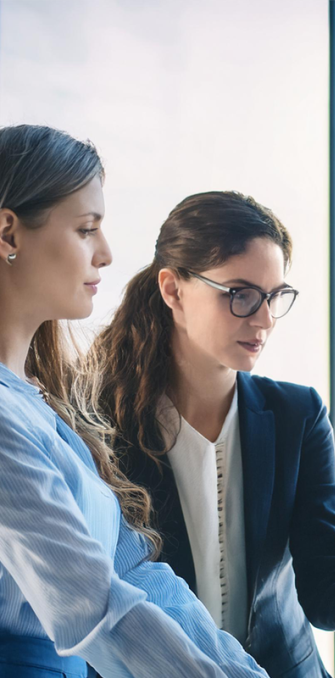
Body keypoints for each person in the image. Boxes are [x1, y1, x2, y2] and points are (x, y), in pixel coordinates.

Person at [88, 190, 335, 678]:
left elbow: (323, 586)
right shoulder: (100, 421)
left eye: (275, 296)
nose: (263, 320)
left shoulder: (297, 415)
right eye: (240, 295)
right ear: (172, 290)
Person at [0, 124, 272, 678]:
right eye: (85, 229)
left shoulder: (37, 405)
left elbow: (137, 575)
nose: (105, 254)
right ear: (8, 233)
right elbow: (95, 607)